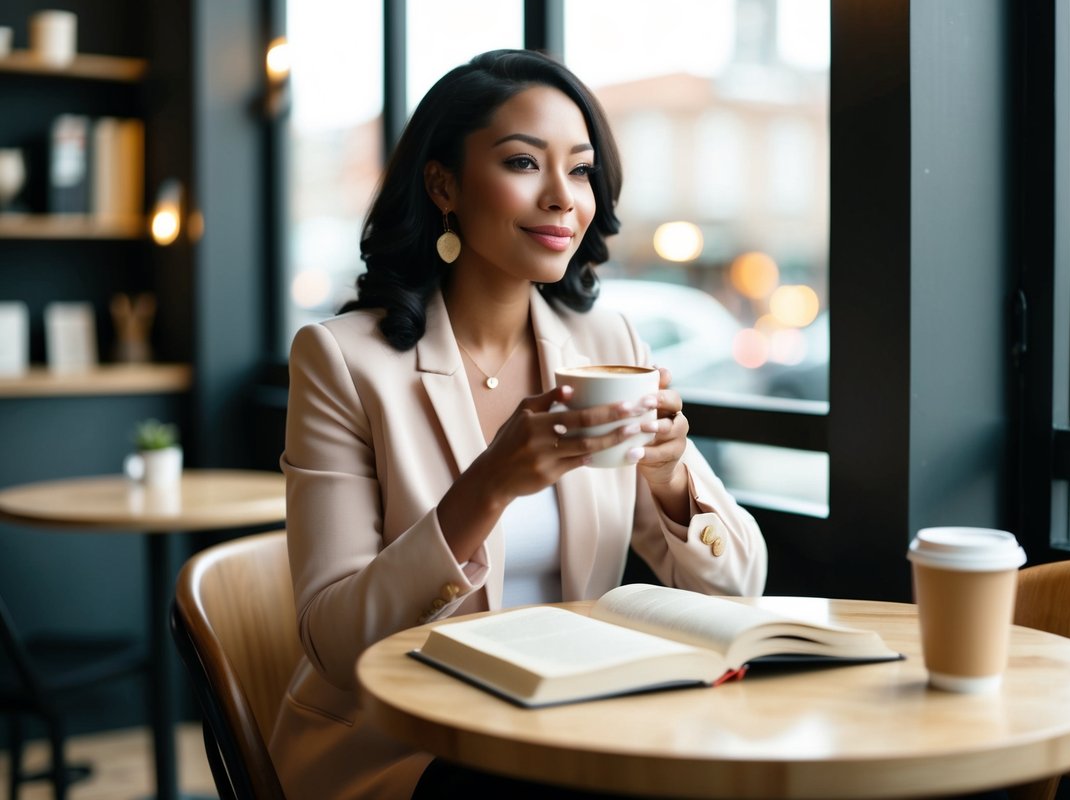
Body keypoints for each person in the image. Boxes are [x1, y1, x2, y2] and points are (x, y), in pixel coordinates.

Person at [269, 48, 768, 799]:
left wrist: (668, 478)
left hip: (573, 727)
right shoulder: (344, 361)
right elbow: (338, 645)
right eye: (523, 163)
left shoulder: (609, 346)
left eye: (579, 169)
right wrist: (490, 485)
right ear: (443, 184)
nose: (563, 198)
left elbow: (740, 588)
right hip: (405, 749)